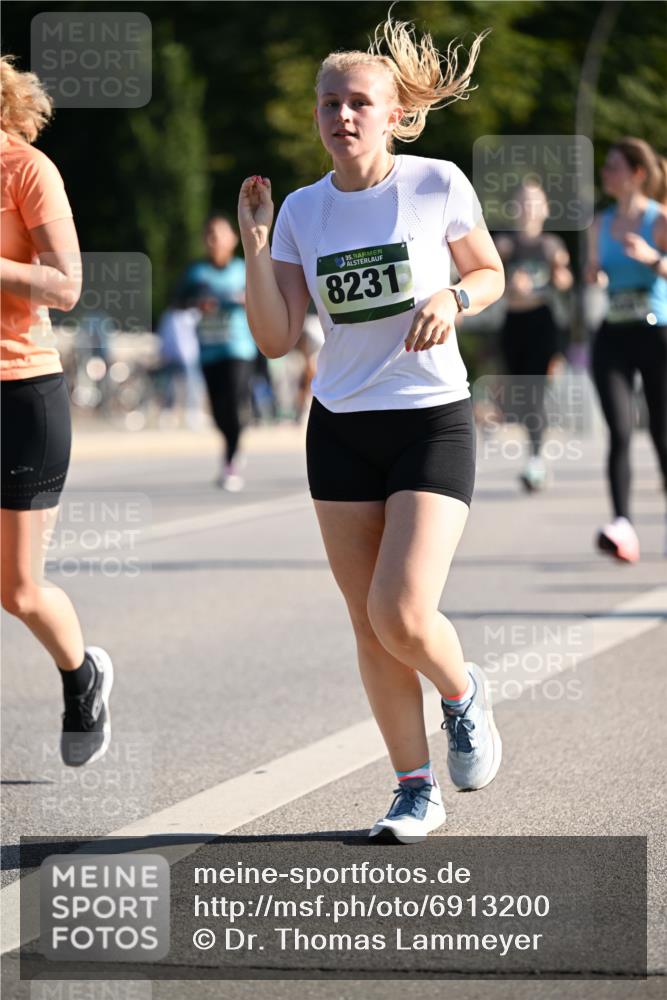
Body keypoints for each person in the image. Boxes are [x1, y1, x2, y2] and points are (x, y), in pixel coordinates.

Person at [238, 13, 505, 843]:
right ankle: (411, 787)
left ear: (392, 115)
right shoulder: (303, 214)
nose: (342, 117)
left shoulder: (435, 184)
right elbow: (278, 339)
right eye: (329, 104)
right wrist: (254, 247)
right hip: (341, 427)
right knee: (368, 627)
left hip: (430, 420)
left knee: (400, 611)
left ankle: (461, 695)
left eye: (359, 102)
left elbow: (490, 272)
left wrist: (451, 298)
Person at [0, 55, 113, 766]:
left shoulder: (27, 171)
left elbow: (66, 286)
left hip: (20, 393)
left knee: (17, 589)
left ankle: (82, 673)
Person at [587, 137, 667, 563]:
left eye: (614, 166)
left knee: (661, 433)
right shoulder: (600, 224)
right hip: (614, 333)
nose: (606, 173)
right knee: (619, 431)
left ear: (636, 173)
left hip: (657, 334)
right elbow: (593, 273)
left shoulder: (659, 219)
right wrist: (594, 274)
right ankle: (623, 526)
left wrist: (654, 258)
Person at [495, 181, 573, 491]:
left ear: (546, 209)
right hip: (513, 324)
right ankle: (535, 455)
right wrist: (509, 285)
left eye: (535, 202)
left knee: (536, 394)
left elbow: (565, 281)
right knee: (522, 398)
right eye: (524, 201)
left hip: (543, 324)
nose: (529, 207)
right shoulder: (503, 245)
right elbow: (487, 281)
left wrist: (560, 276)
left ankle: (536, 460)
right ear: (515, 207)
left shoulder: (551, 245)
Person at [178, 214, 258, 491]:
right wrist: (198, 302)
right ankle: (231, 445)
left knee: (236, 404)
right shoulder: (197, 272)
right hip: (209, 350)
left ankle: (231, 460)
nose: (214, 241)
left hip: (239, 348)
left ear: (233, 239)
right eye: (209, 235)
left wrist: (248, 300)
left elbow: (266, 297)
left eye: (220, 234)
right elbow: (177, 301)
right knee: (218, 410)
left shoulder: (243, 269)